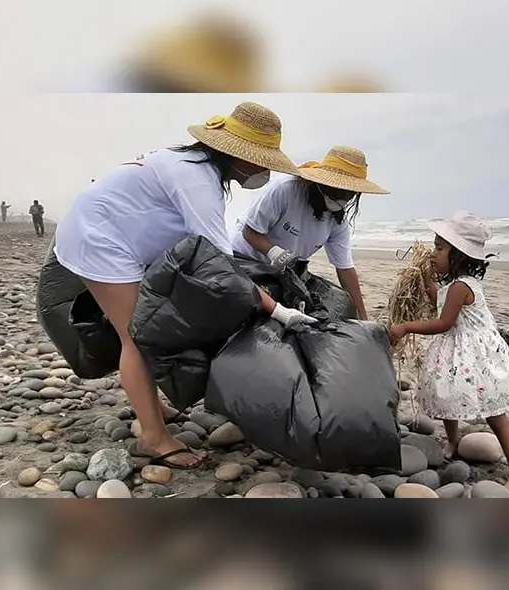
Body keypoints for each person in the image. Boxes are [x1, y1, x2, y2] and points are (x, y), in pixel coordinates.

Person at [51, 101, 317, 470]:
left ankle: (150, 406)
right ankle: (152, 437)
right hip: (100, 241)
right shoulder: (198, 181)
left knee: (143, 325)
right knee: (137, 337)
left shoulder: (193, 165)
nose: (265, 171)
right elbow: (222, 266)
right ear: (239, 156)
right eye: (262, 161)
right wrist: (278, 310)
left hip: (118, 234)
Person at [388, 211, 509, 494]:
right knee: (447, 396)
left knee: (495, 414)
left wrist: (406, 327)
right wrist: (426, 279)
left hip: (476, 356)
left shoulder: (461, 286)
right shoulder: (452, 285)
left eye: (439, 249)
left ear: (459, 255)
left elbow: (444, 322)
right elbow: (437, 299)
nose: (434, 253)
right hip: (458, 352)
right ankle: (452, 443)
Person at [231, 146, 388, 321]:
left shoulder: (337, 219)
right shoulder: (286, 189)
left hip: (283, 272)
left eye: (348, 194)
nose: (342, 198)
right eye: (337, 191)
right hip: (246, 260)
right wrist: (274, 252)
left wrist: (364, 320)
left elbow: (345, 268)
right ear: (322, 183)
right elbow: (250, 232)